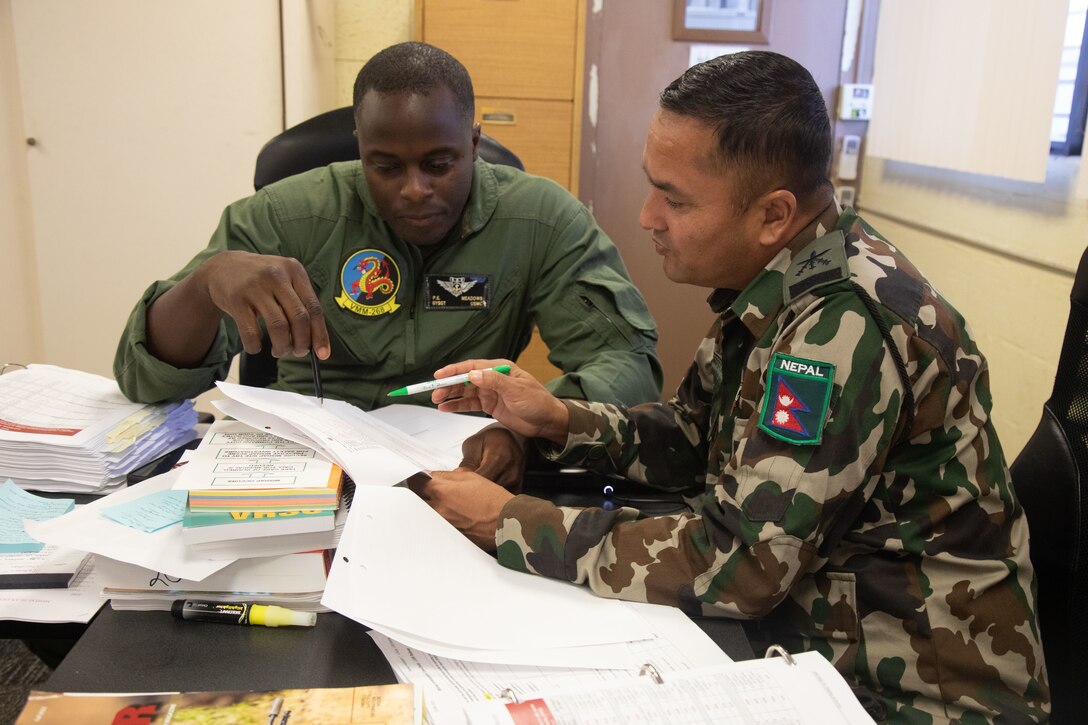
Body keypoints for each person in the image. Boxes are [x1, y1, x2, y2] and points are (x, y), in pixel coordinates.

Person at [416, 51, 1050, 722]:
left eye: (675, 198)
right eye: (651, 185)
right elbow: (695, 438)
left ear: (773, 215)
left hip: (913, 695)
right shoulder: (785, 281)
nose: (646, 216)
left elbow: (742, 565)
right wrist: (556, 420)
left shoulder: (841, 328)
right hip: (819, 639)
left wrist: (506, 521)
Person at [112, 42, 661, 415]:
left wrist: (525, 423)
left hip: (459, 460)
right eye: (387, 166)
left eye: (439, 164)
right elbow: (147, 382)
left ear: (473, 144)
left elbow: (628, 365)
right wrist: (205, 285)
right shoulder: (284, 216)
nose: (415, 189)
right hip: (306, 457)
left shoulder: (541, 221)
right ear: (360, 147)